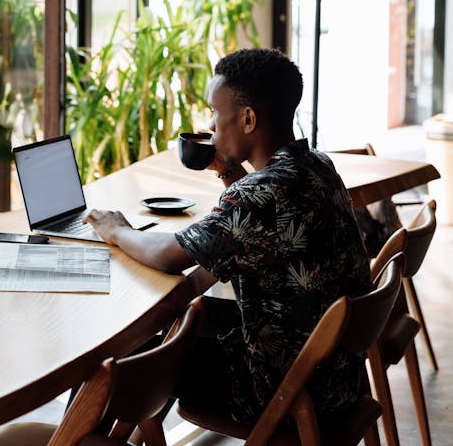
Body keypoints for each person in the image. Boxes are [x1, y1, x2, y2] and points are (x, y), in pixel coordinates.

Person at [84, 48, 372, 424]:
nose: (211, 125)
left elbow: (168, 255)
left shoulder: (259, 194)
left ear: (248, 118)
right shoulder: (316, 164)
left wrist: (116, 230)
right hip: (336, 378)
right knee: (177, 325)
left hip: (282, 391)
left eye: (216, 114)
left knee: (111, 363)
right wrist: (227, 171)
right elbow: (254, 237)